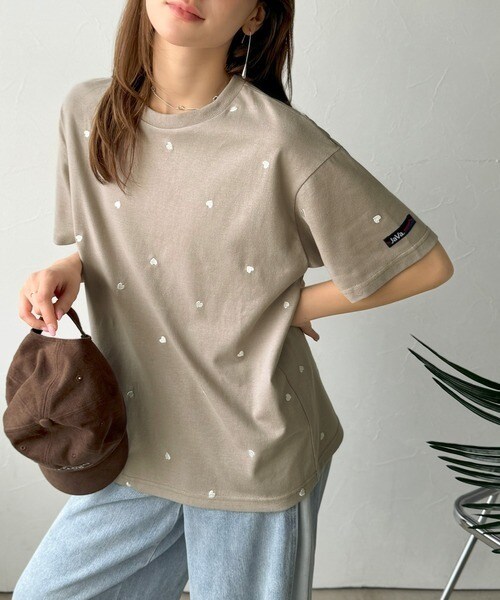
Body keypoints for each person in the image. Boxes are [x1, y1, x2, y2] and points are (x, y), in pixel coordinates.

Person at [13, 0, 454, 598]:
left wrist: (295, 307)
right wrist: (68, 267)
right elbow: (128, 238)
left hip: (252, 452)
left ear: (254, 16)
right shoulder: (87, 113)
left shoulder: (280, 139)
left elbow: (425, 263)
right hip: (132, 441)